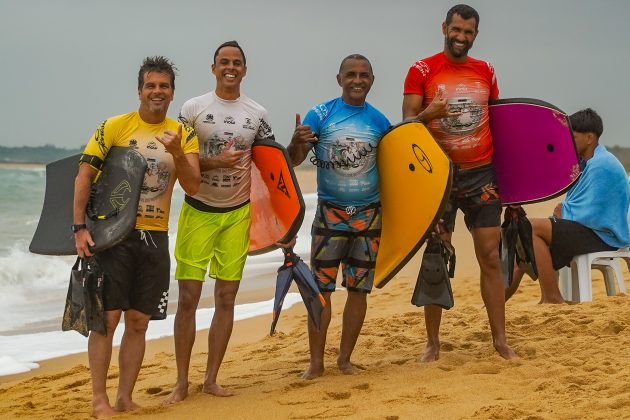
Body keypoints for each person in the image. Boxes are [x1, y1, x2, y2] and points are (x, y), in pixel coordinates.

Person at [73, 56, 200, 418]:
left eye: (164, 86)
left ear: (172, 93)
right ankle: (100, 400)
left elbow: (192, 187)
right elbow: (83, 177)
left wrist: (176, 150)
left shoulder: (184, 134)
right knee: (107, 319)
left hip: (155, 238)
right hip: (113, 236)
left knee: (139, 321)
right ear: (140, 90)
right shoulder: (113, 127)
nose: (157, 91)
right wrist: (79, 228)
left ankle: (125, 397)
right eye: (151, 85)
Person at [402, 4, 516, 361]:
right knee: (436, 255)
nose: (461, 37)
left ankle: (499, 340)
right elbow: (406, 126)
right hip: (439, 176)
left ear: (475, 35)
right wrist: (427, 115)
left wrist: (515, 183)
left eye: (468, 32)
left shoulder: (486, 71)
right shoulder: (421, 69)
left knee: (489, 257)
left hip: (482, 173)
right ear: (444, 28)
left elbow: (501, 123)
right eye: (456, 30)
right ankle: (432, 343)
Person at [164, 41, 276, 403]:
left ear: (245, 69)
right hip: (198, 210)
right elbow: (179, 162)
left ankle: (211, 378)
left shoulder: (256, 113)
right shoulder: (193, 109)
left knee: (226, 297)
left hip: (237, 214)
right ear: (213, 67)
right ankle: (181, 381)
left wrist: (280, 223)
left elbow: (273, 166)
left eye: (237, 63)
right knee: (188, 300)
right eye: (224, 62)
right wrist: (217, 164)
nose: (231, 68)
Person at [288, 54, 391, 379]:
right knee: (321, 290)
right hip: (329, 216)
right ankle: (315, 363)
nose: (357, 80)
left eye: (363, 75)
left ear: (372, 79)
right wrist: (295, 142)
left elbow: (394, 172)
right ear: (339, 78)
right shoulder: (320, 114)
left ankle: (344, 359)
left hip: (369, 217)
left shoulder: (380, 122)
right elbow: (294, 159)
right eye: (351, 75)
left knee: (359, 290)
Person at [505, 108, 630, 303]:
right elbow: (582, 203)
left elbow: (597, 214)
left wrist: (565, 212)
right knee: (523, 249)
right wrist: (565, 211)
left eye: (574, 136)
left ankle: (552, 297)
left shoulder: (602, 164)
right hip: (587, 231)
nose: (569, 141)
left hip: (604, 237)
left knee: (529, 228)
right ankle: (492, 307)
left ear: (589, 137)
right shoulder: (586, 163)